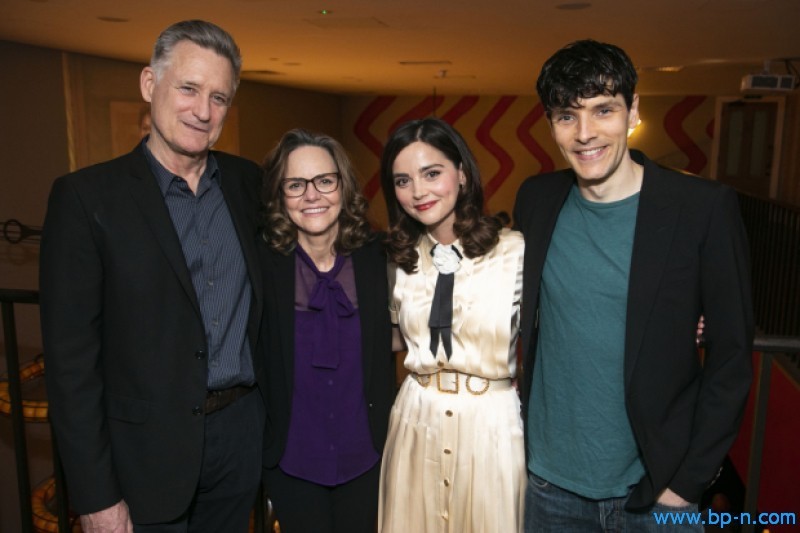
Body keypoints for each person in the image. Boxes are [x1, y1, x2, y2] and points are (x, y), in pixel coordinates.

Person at [513, 39, 754, 532]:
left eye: (603, 110)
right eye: (567, 116)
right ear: (550, 124)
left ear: (633, 111)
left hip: (656, 492)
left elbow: (731, 359)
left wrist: (686, 486)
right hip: (547, 487)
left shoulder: (701, 209)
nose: (585, 133)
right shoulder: (536, 199)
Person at [40, 20, 265, 532]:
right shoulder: (85, 199)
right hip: (140, 459)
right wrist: (95, 497)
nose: (203, 111)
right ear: (149, 84)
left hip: (238, 444)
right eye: (188, 88)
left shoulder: (248, 184)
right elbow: (72, 368)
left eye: (219, 97)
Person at [378, 117, 526, 532]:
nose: (418, 192)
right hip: (415, 419)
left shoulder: (516, 252)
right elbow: (385, 339)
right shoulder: (397, 260)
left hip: (492, 425)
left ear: (462, 173)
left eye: (432, 173)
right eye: (403, 180)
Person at [259, 129, 395, 533]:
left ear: (344, 186)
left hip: (367, 457)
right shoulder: (262, 264)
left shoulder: (378, 258)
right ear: (280, 195)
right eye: (296, 185)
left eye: (324, 181)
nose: (312, 196)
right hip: (292, 460)